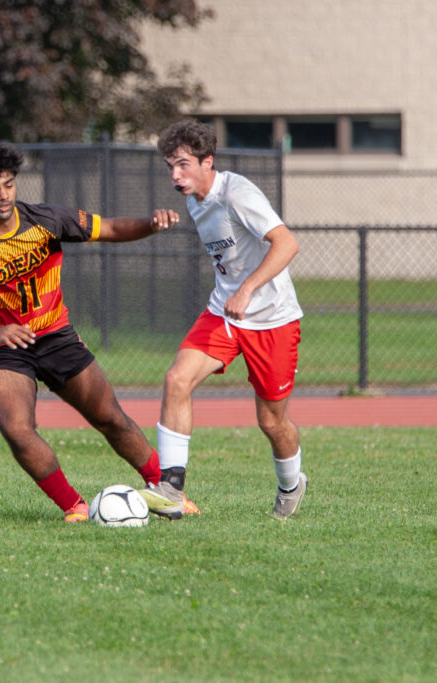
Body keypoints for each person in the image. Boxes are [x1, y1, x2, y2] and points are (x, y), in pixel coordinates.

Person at [0, 140, 183, 522]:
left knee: (110, 417)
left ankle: (164, 492)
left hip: (54, 334)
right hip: (1, 348)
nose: (3, 195)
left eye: (8, 184)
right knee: (17, 429)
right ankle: (74, 505)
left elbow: (112, 228)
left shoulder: (46, 219)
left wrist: (150, 225)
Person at [141, 119, 307, 521]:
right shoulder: (194, 200)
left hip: (273, 320)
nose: (175, 174)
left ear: (207, 161)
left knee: (271, 420)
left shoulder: (238, 193)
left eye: (182, 164)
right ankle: (171, 490)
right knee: (177, 378)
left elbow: (287, 243)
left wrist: (247, 289)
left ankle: (291, 483)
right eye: (169, 166)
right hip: (224, 313)